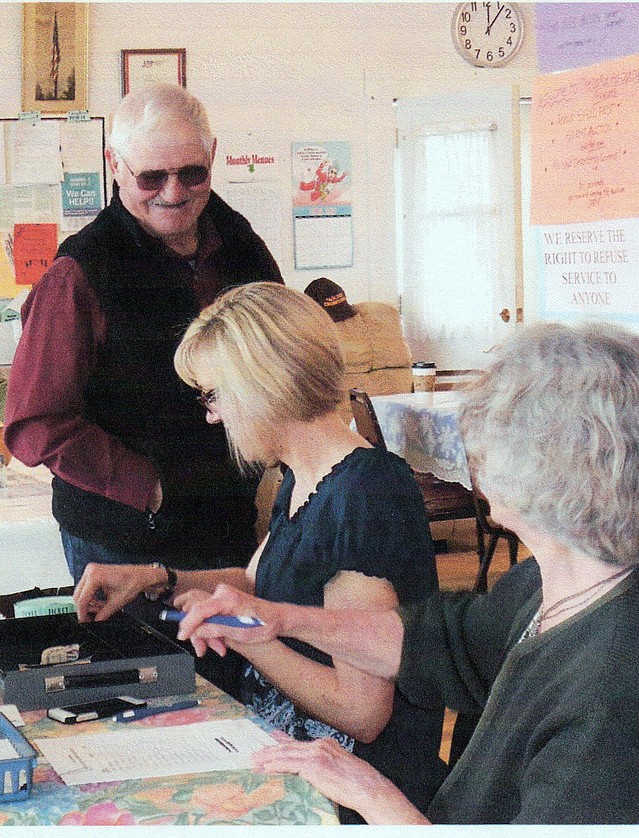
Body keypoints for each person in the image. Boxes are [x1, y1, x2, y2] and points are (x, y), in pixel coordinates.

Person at [177, 320, 639, 824]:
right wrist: (279, 620)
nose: (475, 462)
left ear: (544, 471)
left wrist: (371, 793)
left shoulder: (611, 689)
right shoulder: (546, 585)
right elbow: (433, 640)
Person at [74, 283, 446, 821]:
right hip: (290, 743)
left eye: (213, 396)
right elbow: (261, 583)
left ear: (259, 389)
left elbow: (361, 712)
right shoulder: (305, 477)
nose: (212, 417)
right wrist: (157, 578)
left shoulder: (364, 496)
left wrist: (245, 638)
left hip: (353, 788)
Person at [5, 83, 283, 586]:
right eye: (152, 177)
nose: (174, 193)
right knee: (149, 667)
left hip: (232, 520)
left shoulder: (242, 244)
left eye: (192, 173)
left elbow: (280, 359)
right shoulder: (79, 272)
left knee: (236, 662)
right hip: (124, 534)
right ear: (115, 165)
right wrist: (149, 486)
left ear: (213, 155)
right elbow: (33, 424)